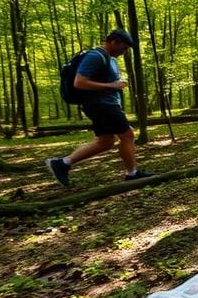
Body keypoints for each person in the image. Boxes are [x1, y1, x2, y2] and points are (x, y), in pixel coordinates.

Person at [47, 29, 153, 186]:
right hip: (100, 105)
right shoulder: (95, 56)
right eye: (123, 48)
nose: (124, 52)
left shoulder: (111, 60)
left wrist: (116, 85)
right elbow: (79, 82)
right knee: (128, 135)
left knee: (106, 142)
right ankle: (132, 174)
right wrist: (112, 85)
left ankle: (62, 164)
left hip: (106, 104)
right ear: (113, 41)